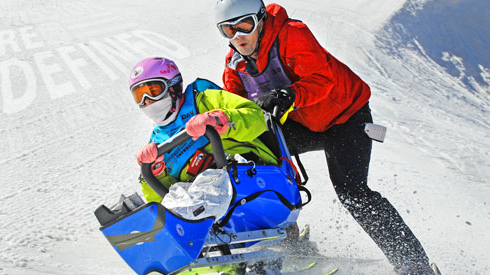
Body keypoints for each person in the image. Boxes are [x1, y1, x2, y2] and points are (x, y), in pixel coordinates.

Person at [214, 0, 437, 274]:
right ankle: (290, 242)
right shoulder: (235, 66)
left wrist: (289, 96)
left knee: (352, 192)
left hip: (346, 118)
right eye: (228, 30)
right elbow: (239, 112)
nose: (238, 37)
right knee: (256, 159)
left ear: (260, 20)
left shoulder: (291, 34)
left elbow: (322, 79)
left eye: (244, 25)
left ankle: (414, 265)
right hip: (304, 126)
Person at [129, 57, 277, 204]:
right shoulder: (158, 142)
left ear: (172, 86)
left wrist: (219, 120)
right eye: (139, 96)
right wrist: (154, 173)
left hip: (253, 174)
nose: (147, 101)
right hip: (207, 204)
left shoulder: (203, 99)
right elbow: (164, 203)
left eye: (153, 91)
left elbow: (256, 117)